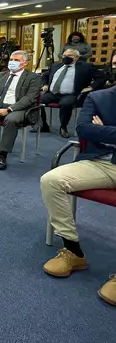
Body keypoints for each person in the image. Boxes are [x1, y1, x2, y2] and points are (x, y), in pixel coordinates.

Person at [40, 87, 116, 306]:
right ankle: (73, 251)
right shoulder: (98, 97)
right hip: (99, 162)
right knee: (51, 181)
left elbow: (95, 131)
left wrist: (105, 131)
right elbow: (83, 128)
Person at [37, 48, 106, 138]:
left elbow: (102, 77)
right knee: (36, 100)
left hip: (71, 95)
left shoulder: (85, 67)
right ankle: (43, 125)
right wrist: (45, 84)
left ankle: (63, 127)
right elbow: (45, 75)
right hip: (53, 94)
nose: (66, 57)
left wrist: (91, 87)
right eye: (64, 55)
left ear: (77, 57)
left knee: (66, 104)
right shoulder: (56, 66)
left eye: (69, 56)